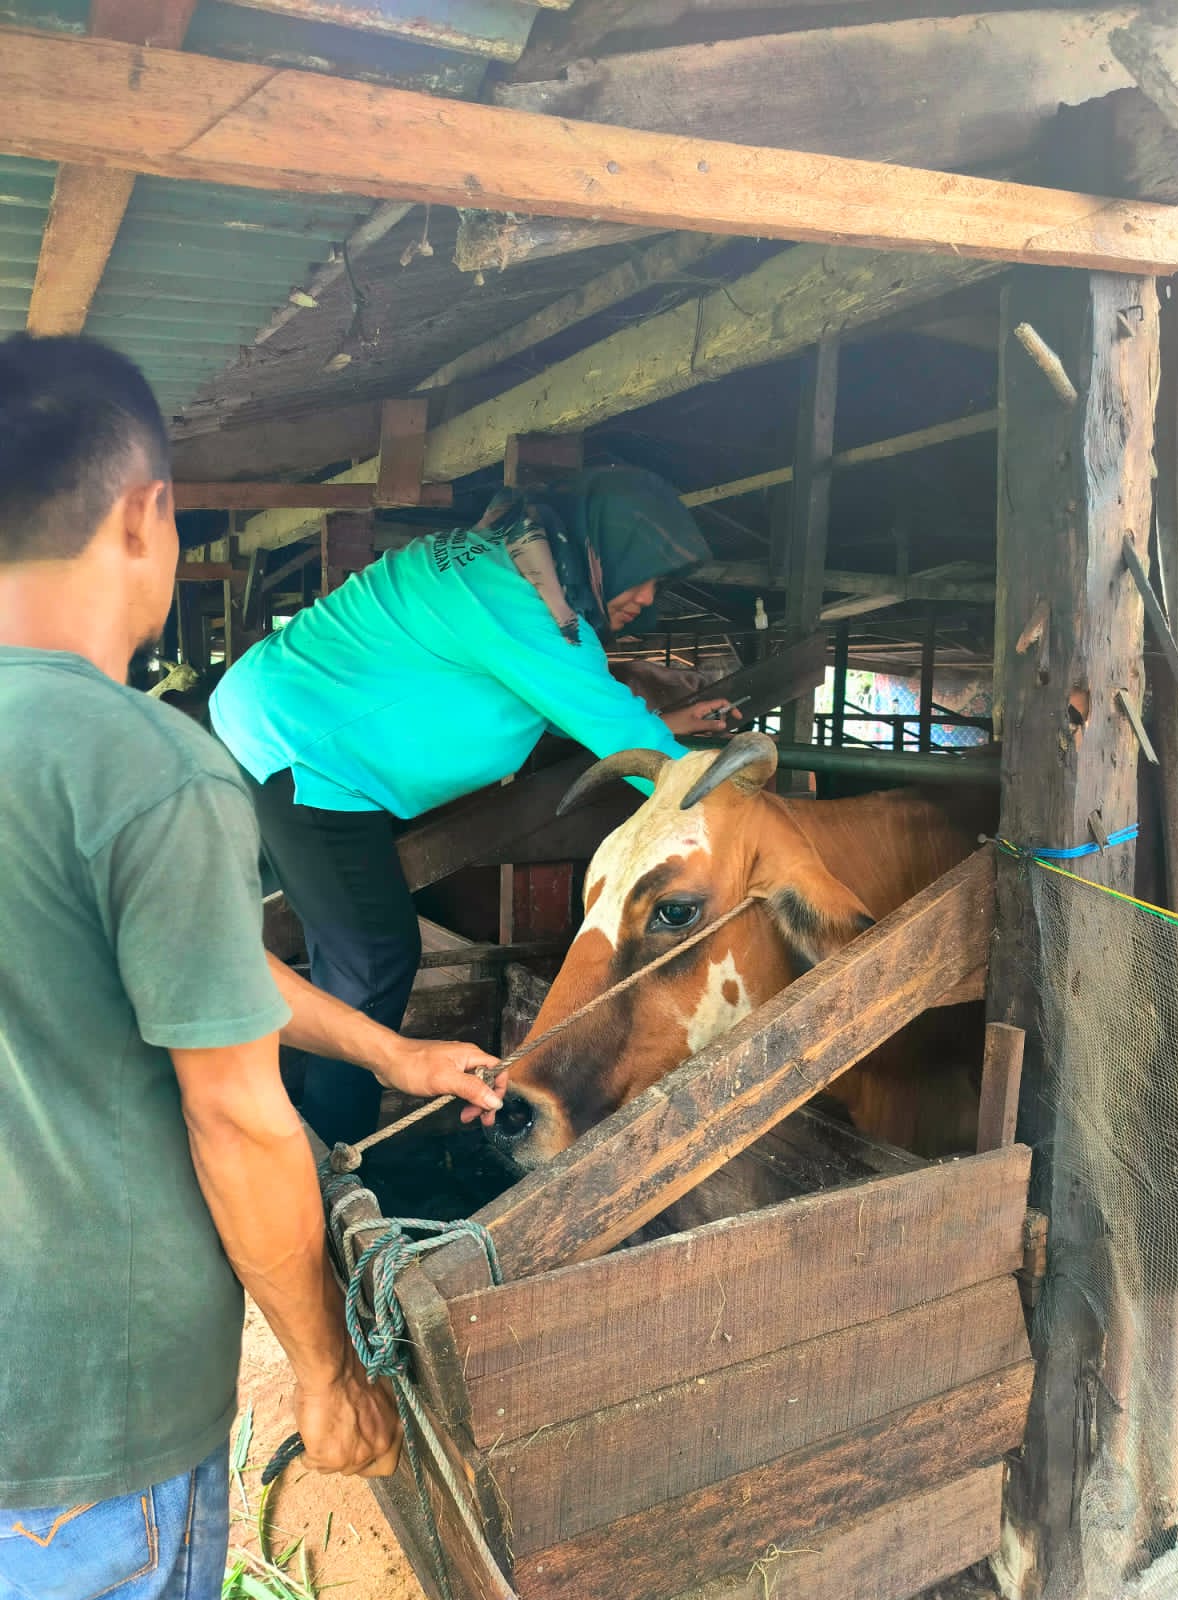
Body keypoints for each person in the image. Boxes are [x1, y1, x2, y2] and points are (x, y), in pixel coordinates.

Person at [0, 333, 504, 1600]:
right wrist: (328, 1379)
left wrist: (390, 1051)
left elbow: (183, 962)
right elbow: (237, 1116)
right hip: (84, 1445)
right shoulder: (146, 766)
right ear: (146, 516)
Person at [210, 468, 736, 1148]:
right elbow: (629, 741)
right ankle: (325, 1164)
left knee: (333, 948)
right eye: (648, 574)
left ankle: (279, 1120)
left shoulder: (513, 564)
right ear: (606, 554)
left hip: (270, 723)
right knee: (372, 957)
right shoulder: (519, 605)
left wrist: (665, 716)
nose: (649, 597)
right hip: (303, 754)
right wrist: (738, 815)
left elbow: (535, 695)